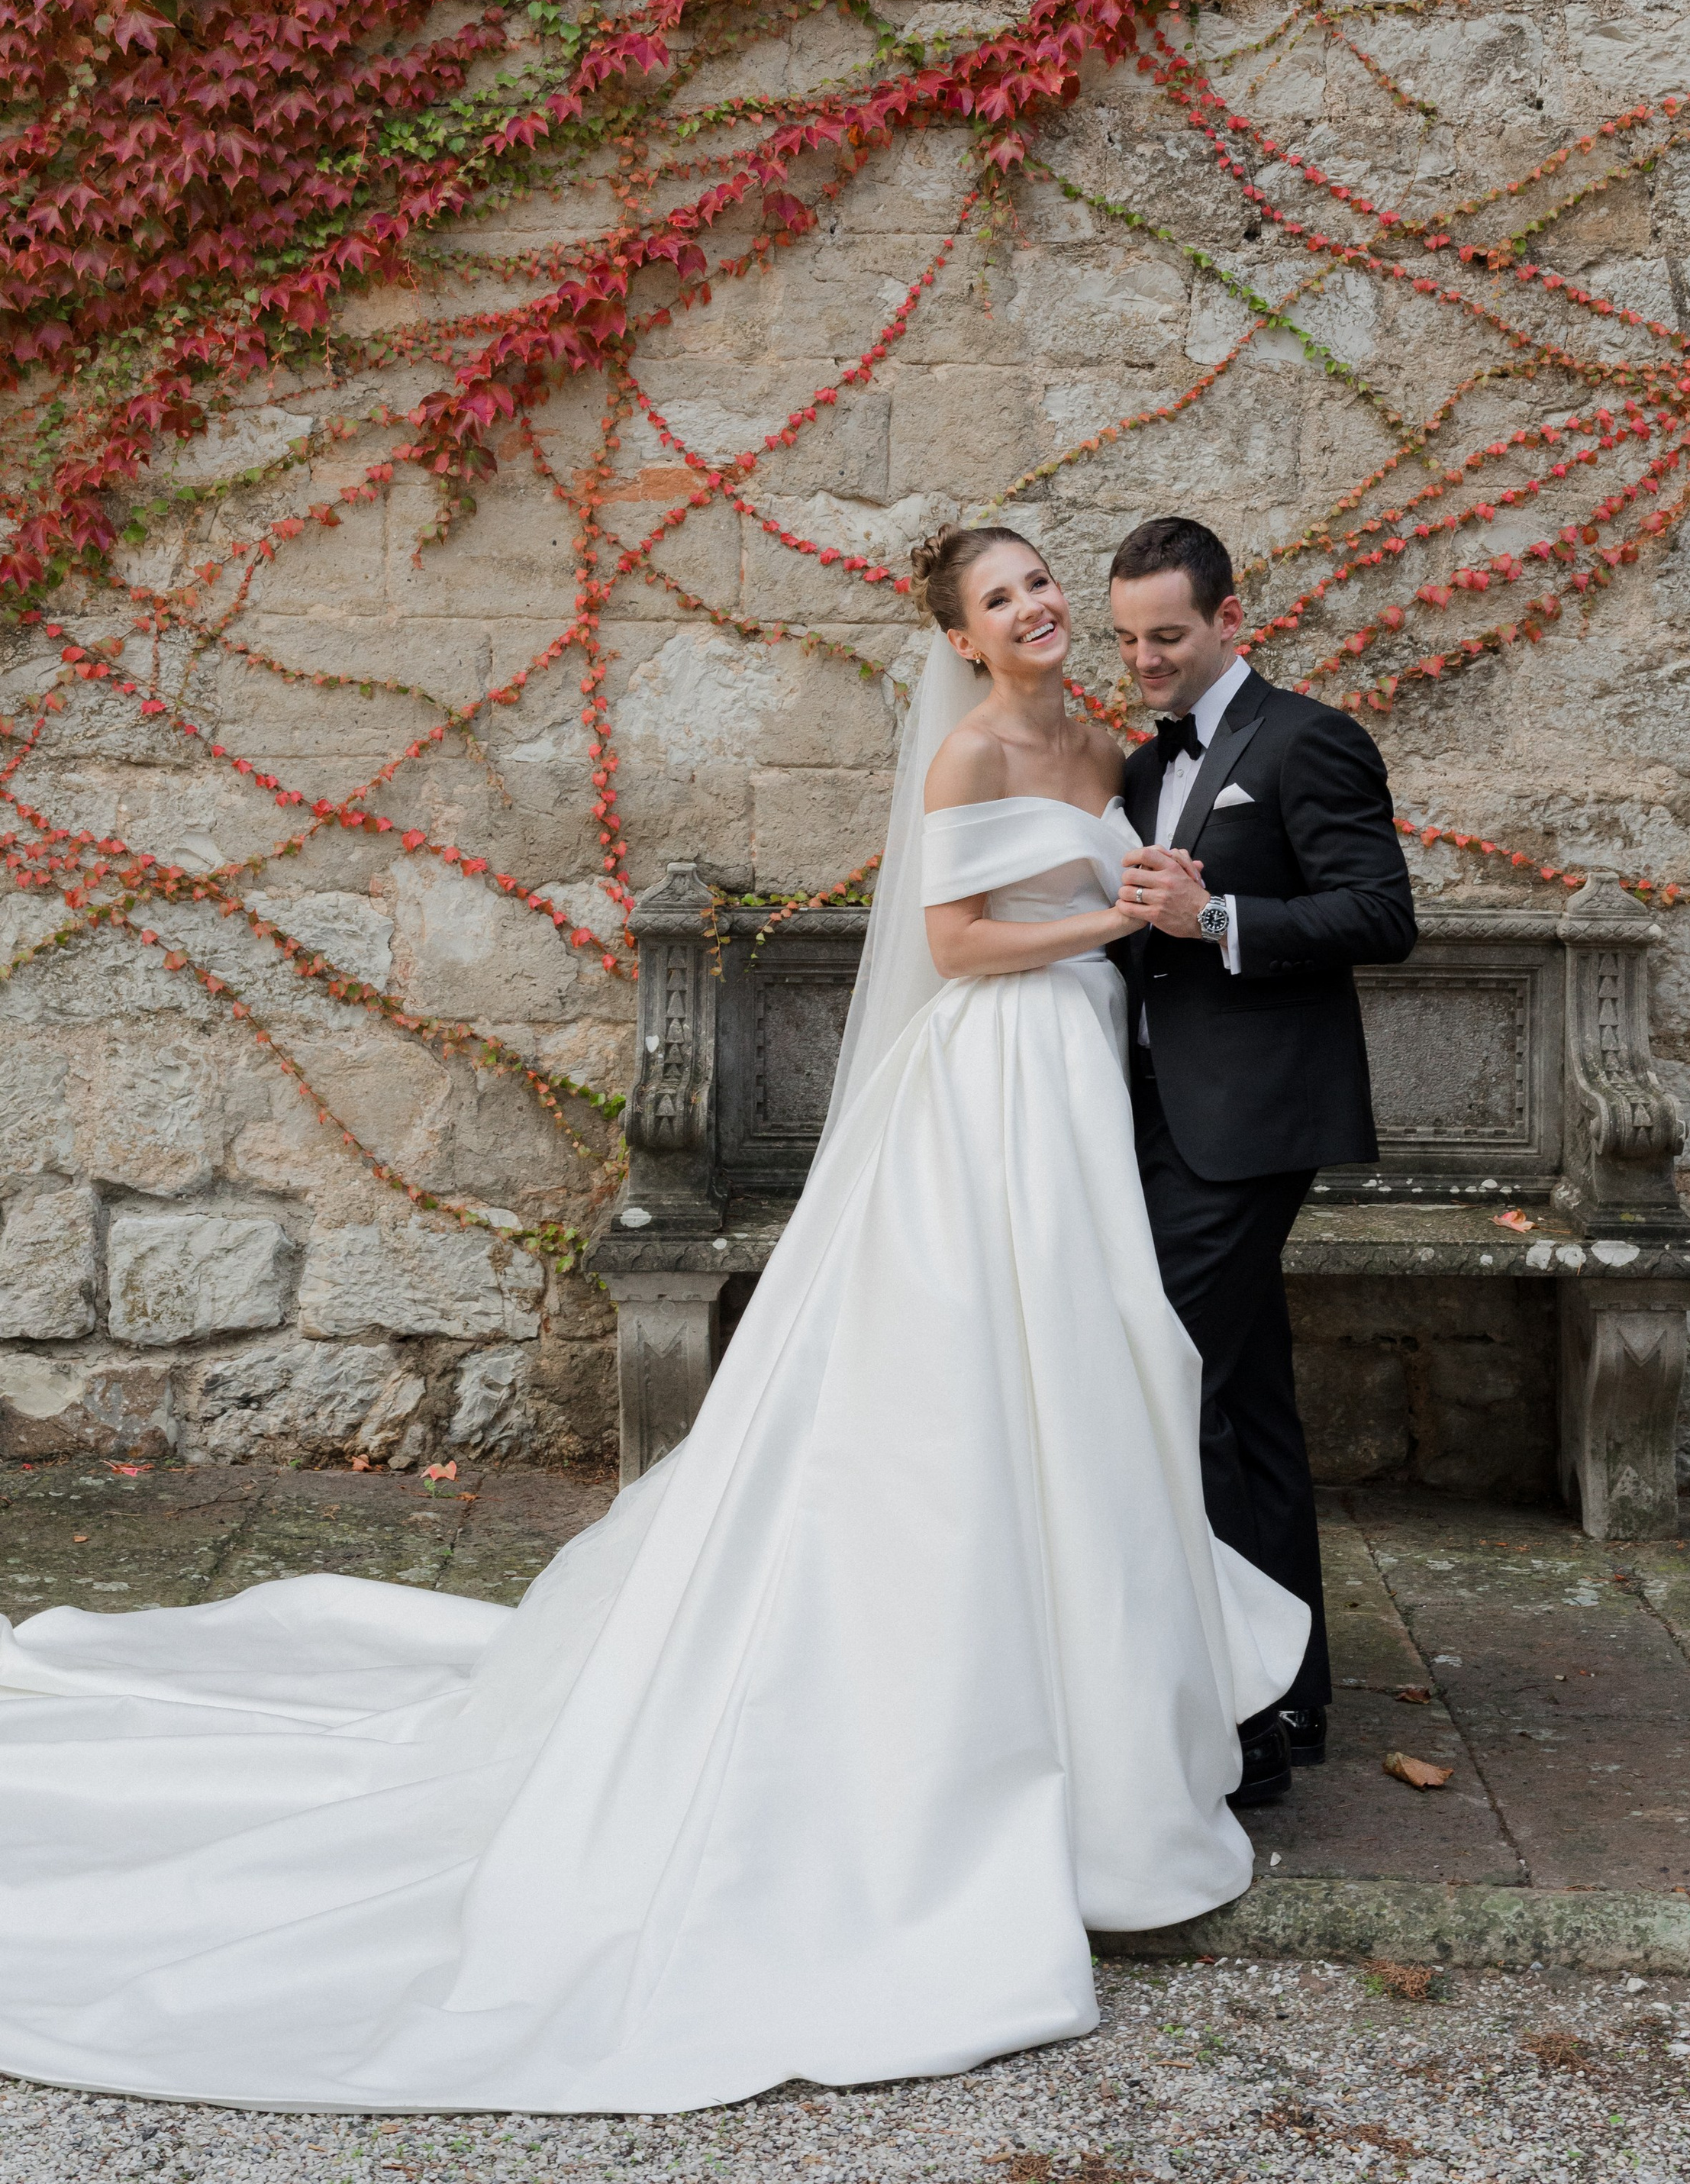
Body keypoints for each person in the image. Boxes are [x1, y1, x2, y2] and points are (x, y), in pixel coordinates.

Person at [0, 524, 1308, 2118]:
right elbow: (955, 946)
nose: (1035, 609)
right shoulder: (968, 753)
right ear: (962, 640)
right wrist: (1109, 926)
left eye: (1042, 584)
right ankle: (947, 1719)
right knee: (967, 1385)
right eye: (1002, 599)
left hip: (1081, 1080)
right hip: (990, 1090)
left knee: (1092, 1379)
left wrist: (1156, 915)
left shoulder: (1099, 737)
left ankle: (1092, 1704)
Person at [1109, 515, 1417, 1807]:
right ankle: (1287, 1695)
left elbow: (1381, 915)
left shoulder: (1309, 739)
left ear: (1233, 617)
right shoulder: (1137, 767)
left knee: (1179, 1379)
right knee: (1245, 1397)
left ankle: (1236, 1716)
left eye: (1168, 637)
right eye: (1128, 642)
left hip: (1257, 1121)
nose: (1146, 664)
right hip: (1153, 1114)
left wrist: (1214, 914)